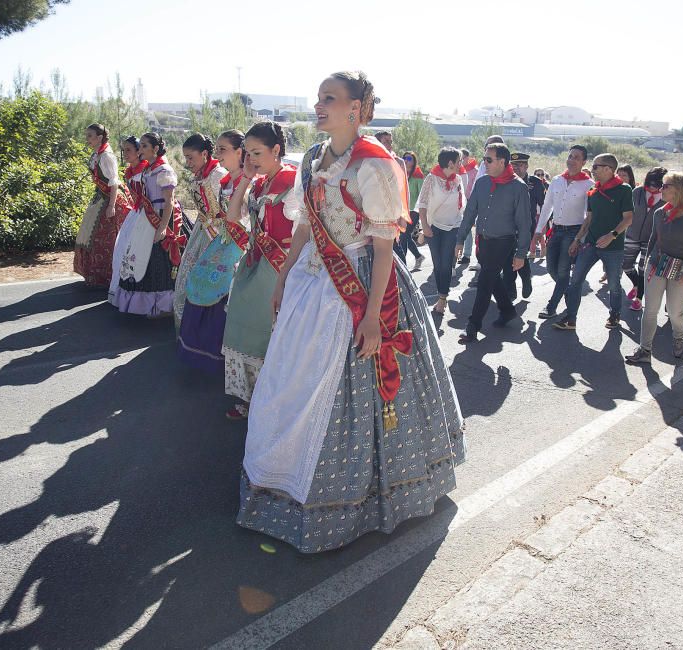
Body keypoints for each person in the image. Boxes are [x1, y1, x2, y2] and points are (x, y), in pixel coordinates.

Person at [239, 70, 465, 553]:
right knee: (290, 383)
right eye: (319, 97)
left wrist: (371, 319)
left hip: (361, 283)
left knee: (346, 389)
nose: (319, 105)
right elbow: (304, 227)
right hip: (311, 283)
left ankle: (354, 498)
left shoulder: (376, 166)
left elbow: (384, 250)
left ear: (357, 109)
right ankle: (278, 477)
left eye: (330, 98)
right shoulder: (314, 160)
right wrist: (283, 277)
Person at [221, 121, 296, 420]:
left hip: (280, 268)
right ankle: (251, 399)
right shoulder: (260, 182)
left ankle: (272, 404)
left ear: (276, 150)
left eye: (256, 153)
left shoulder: (293, 183)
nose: (250, 159)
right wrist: (246, 180)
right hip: (254, 265)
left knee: (270, 334)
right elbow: (232, 216)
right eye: (247, 154)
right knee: (243, 329)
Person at [174, 132, 250, 375]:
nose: (218, 155)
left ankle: (221, 351)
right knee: (197, 279)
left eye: (223, 149)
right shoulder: (226, 179)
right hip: (220, 237)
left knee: (216, 287)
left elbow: (243, 219)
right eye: (216, 149)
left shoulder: (235, 180)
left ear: (240, 152)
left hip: (236, 242)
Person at [624, 172, 683, 364]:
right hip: (657, 264)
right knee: (650, 309)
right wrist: (646, 263)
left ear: (679, 189)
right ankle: (645, 350)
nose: (661, 189)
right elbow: (653, 238)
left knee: (674, 311)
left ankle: (679, 337)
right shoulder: (660, 212)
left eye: (666, 186)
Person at [455, 142, 531, 342]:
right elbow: (470, 212)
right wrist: (460, 239)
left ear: (502, 161)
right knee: (492, 277)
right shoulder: (482, 183)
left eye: (489, 159)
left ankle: (473, 325)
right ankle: (507, 310)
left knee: (485, 280)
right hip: (483, 241)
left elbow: (524, 223)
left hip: (504, 241)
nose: (484, 163)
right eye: (484, 159)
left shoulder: (518, 188)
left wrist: (521, 254)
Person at [553, 153, 633, 332]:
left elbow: (628, 218)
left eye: (596, 166)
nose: (592, 170)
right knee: (576, 281)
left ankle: (614, 314)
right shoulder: (593, 192)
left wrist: (612, 235)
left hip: (613, 247)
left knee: (613, 284)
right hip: (590, 245)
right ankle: (571, 318)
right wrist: (576, 240)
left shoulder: (624, 190)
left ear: (608, 169)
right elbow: (588, 219)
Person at [111, 132, 184, 317]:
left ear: (156, 149)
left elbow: (169, 203)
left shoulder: (164, 170)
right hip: (146, 217)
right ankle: (145, 303)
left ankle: (163, 305)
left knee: (159, 262)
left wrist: (162, 228)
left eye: (144, 146)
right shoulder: (149, 169)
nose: (140, 149)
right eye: (140, 146)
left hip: (161, 218)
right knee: (141, 259)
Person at [534, 144, 593, 319]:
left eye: (576, 157)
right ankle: (569, 293)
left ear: (583, 162)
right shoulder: (557, 180)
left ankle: (551, 307)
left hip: (573, 232)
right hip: (556, 230)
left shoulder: (589, 184)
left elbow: (588, 216)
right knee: (551, 268)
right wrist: (539, 230)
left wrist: (580, 239)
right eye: (570, 156)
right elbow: (547, 206)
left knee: (562, 270)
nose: (572, 160)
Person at [74, 123, 131, 287]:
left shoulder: (107, 156)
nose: (87, 139)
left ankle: (107, 276)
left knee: (105, 238)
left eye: (90, 136)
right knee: (90, 233)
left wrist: (111, 206)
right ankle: (94, 275)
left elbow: (114, 183)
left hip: (111, 198)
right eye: (87, 136)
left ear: (100, 137)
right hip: (100, 196)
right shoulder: (97, 154)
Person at [417, 147, 466, 314]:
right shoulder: (431, 179)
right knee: (438, 264)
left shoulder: (458, 179)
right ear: (450, 163)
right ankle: (441, 295)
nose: (461, 164)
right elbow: (422, 204)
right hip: (434, 228)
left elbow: (462, 205)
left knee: (446, 264)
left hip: (453, 227)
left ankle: (442, 298)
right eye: (459, 161)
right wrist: (425, 226)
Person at [108, 136, 150, 304]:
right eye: (123, 149)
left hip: (146, 215)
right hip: (135, 214)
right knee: (122, 250)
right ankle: (120, 291)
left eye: (128, 150)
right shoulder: (129, 171)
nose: (125, 153)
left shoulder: (145, 170)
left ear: (139, 151)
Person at [623, 166, 668, 311]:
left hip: (651, 239)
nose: (652, 188)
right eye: (650, 184)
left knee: (643, 269)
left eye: (657, 185)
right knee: (626, 265)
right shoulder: (637, 192)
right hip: (632, 234)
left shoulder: (667, 197)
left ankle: (639, 299)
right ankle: (637, 285)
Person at [460, 135, 505, 269]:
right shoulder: (483, 164)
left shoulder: (505, 166)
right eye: (487, 146)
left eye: (491, 146)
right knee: (481, 237)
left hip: (498, 212)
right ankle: (482, 263)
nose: (488, 149)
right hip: (483, 207)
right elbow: (477, 184)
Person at [508, 151, 545, 299]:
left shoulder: (535, 183)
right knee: (509, 256)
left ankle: (525, 279)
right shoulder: (507, 180)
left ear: (527, 166)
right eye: (513, 165)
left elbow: (544, 206)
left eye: (519, 165)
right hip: (508, 226)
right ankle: (510, 288)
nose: (516, 168)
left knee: (520, 253)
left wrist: (542, 229)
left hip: (527, 226)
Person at [398, 150, 426, 270]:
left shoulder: (418, 175)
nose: (406, 160)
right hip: (402, 210)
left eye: (409, 158)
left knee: (404, 236)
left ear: (414, 161)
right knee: (405, 236)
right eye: (404, 158)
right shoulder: (401, 173)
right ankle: (418, 256)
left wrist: (422, 212)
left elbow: (423, 194)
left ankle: (403, 264)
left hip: (414, 210)